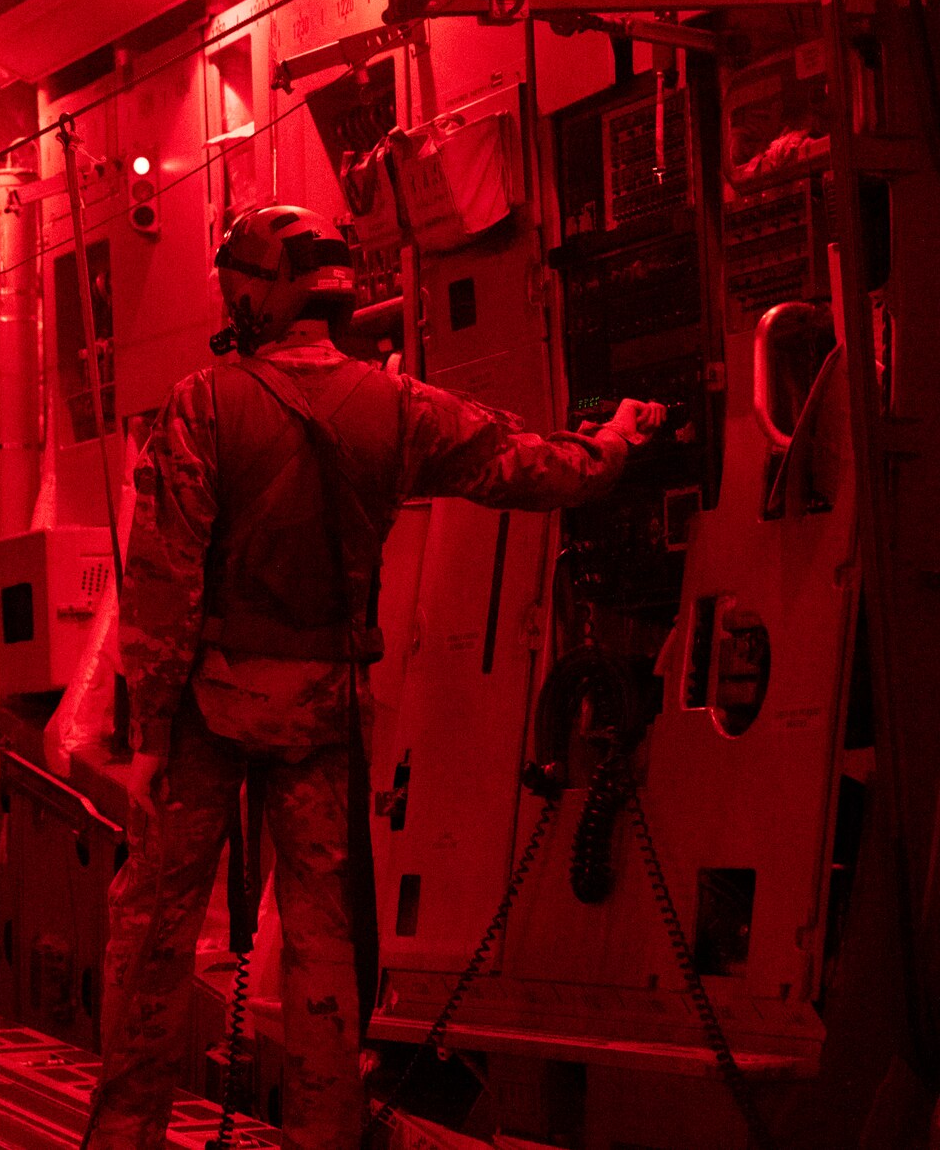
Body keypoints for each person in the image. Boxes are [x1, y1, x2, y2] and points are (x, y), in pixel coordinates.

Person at [87, 204, 666, 1150]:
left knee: (151, 934)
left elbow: (163, 581)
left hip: (206, 712)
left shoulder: (202, 403)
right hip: (323, 708)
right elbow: (525, 464)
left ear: (259, 291)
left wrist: (149, 734)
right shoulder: (398, 408)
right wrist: (615, 445)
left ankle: (124, 1141)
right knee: (322, 948)